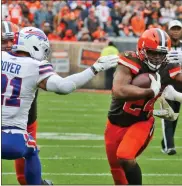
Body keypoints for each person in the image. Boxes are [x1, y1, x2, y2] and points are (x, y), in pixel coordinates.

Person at [1, 26, 119, 185]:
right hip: (11, 137)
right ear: (35, 46)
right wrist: (95, 68)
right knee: (32, 150)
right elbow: (65, 87)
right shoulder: (36, 66)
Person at [104, 28, 182, 185]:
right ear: (141, 49)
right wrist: (150, 91)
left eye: (161, 53)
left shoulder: (169, 67)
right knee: (117, 172)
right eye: (152, 52)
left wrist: (176, 95)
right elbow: (118, 90)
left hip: (142, 122)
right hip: (115, 123)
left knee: (125, 156)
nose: (157, 58)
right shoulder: (130, 60)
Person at [2, 20, 53, 185]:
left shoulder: (32, 61)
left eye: (12, 40)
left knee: (24, 177)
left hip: (25, 122)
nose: (9, 45)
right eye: (4, 41)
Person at [160, 20, 182, 155]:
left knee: (175, 116)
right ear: (168, 30)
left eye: (178, 29)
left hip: (180, 85)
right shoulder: (163, 47)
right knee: (168, 116)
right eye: (173, 28)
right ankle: (169, 147)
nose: (175, 31)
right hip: (167, 84)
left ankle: (165, 142)